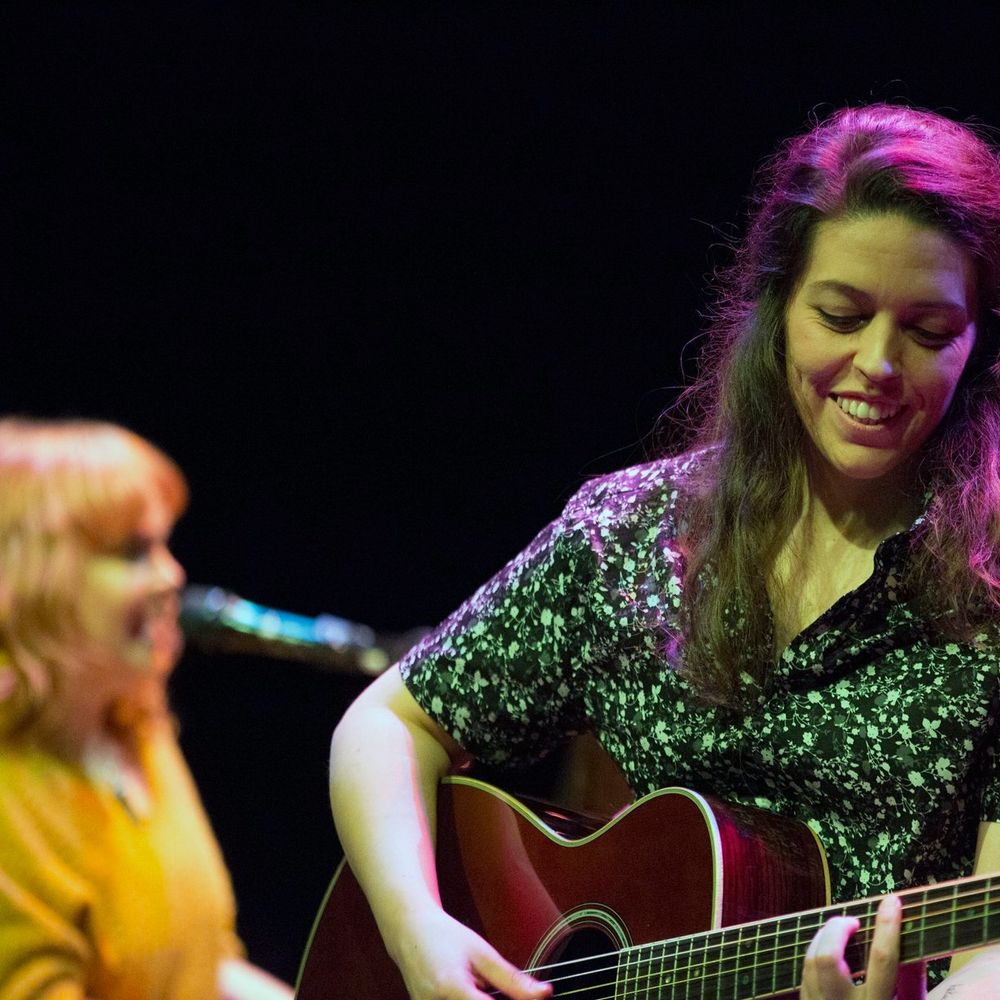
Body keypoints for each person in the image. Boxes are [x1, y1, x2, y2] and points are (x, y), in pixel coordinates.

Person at [328, 103, 1000, 999]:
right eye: (840, 315)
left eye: (927, 333)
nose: (878, 363)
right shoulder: (632, 533)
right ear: (776, 311)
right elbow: (388, 724)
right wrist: (418, 932)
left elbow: (989, 948)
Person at [0, 418, 293, 1000]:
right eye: (135, 551)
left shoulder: (137, 732)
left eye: (164, 544)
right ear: (31, 579)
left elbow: (207, 971)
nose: (172, 576)